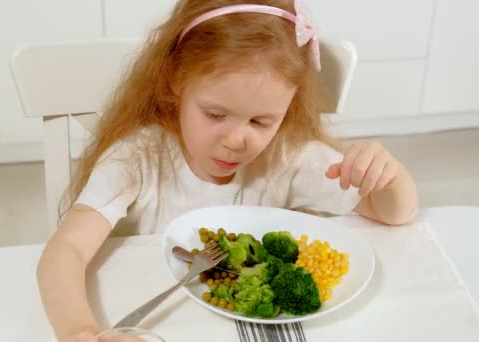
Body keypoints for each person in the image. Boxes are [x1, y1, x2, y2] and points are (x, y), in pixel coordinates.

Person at [36, 0, 418, 341]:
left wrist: (389, 176)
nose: (237, 140)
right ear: (175, 82)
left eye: (261, 121)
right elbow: (64, 250)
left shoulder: (289, 157)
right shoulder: (138, 160)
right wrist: (80, 332)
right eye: (215, 115)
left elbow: (394, 212)